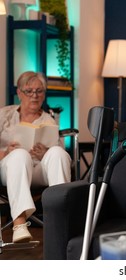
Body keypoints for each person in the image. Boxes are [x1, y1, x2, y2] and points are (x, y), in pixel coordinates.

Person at [0, 71, 71, 243]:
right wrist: (6, 152)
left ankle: (62, 220)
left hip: (37, 171)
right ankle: (19, 223)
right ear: (19, 93)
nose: (35, 96)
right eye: (29, 91)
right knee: (19, 155)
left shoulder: (49, 120)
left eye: (39, 91)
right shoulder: (4, 115)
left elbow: (58, 157)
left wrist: (45, 152)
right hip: (7, 169)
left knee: (58, 153)